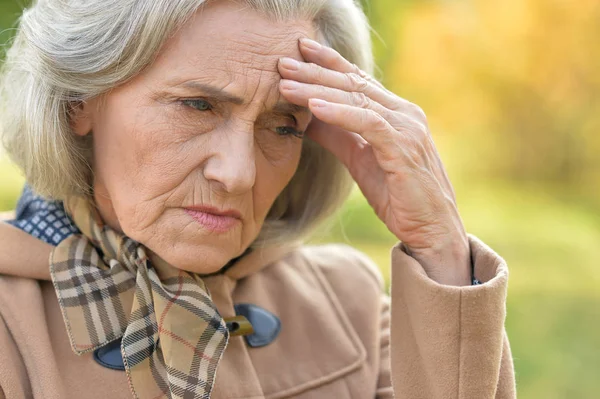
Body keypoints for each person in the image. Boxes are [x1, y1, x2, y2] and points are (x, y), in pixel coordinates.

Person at [0, 0, 516, 398]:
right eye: (198, 105)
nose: (240, 173)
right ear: (76, 103)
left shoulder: (348, 304)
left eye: (283, 125)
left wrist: (440, 247)